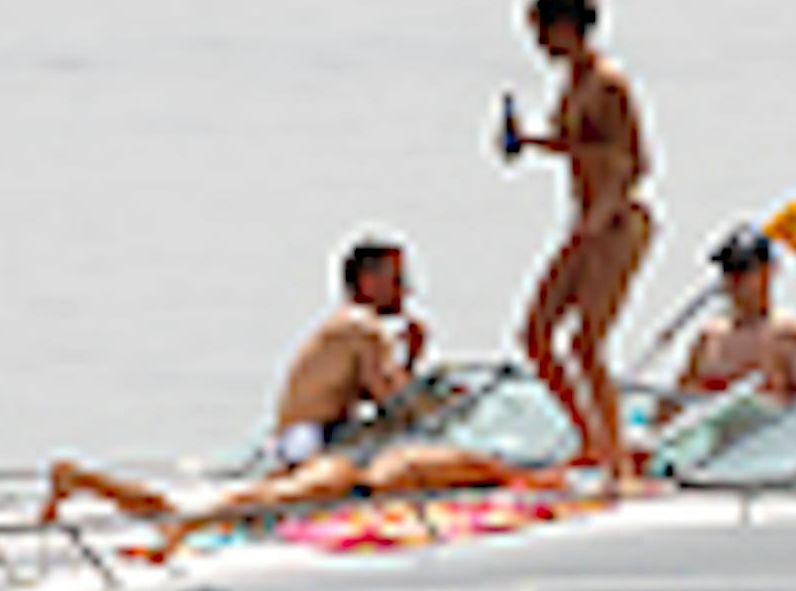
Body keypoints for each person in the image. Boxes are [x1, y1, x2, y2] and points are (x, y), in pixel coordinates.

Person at [506, 0, 656, 483]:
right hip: (584, 222)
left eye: (544, 32)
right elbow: (581, 145)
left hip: (615, 222)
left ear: (568, 27)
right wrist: (531, 143)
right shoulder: (572, 84)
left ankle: (616, 465)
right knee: (536, 334)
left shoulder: (608, 83)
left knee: (587, 343)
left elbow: (634, 160)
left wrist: (603, 214)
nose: (539, 45)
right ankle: (590, 437)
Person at [38, 444, 567, 564]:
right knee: (238, 505)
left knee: (225, 504)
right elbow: (515, 484)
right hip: (350, 485)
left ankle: (87, 481)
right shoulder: (496, 472)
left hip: (346, 477)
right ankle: (168, 533)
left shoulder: (475, 464)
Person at [271, 238, 428, 468]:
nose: (406, 291)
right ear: (368, 282)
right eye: (397, 280)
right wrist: (415, 359)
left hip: (307, 432)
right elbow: (393, 399)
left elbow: (373, 392)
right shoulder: (362, 327)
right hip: (311, 435)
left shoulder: (346, 323)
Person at [675, 225, 796, 407]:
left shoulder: (787, 336)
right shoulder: (708, 338)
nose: (734, 279)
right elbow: (675, 405)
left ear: (768, 271)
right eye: (727, 269)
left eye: (743, 268)